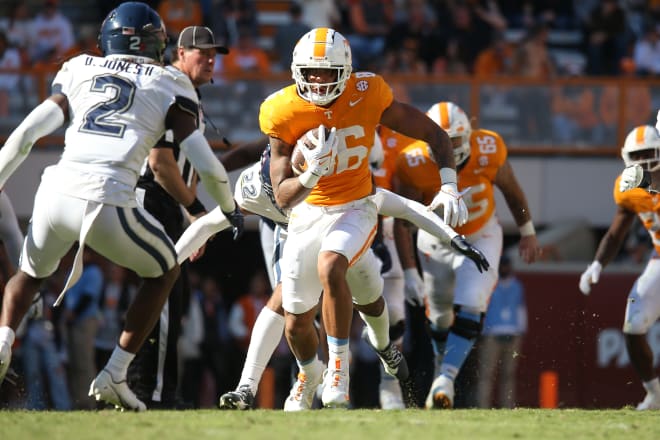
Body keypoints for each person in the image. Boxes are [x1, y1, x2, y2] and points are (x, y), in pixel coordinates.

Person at [0, 2, 243, 412]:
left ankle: (3, 339)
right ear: (159, 44)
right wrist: (226, 208)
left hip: (55, 192)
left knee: (27, 276)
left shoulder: (80, 67)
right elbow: (207, 164)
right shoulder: (169, 82)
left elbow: (26, 135)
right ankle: (115, 372)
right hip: (108, 199)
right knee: (165, 269)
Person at [175, 146, 486, 410]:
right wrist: (169, 262)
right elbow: (209, 224)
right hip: (299, 232)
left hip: (351, 228)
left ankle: (381, 346)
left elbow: (403, 206)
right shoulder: (258, 185)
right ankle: (265, 383)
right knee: (289, 309)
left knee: (369, 300)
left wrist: (451, 237)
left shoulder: (341, 177)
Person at [262, 27, 471, 410]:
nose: (319, 80)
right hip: (308, 212)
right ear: (297, 71)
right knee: (295, 321)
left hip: (356, 205)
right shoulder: (282, 109)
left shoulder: (368, 92)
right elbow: (282, 195)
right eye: (311, 72)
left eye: (327, 72)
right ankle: (311, 374)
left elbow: (434, 134)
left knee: (332, 265)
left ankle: (338, 372)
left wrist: (449, 185)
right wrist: (310, 175)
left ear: (345, 71)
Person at [394, 101, 541, 409]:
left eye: (454, 140)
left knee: (472, 301)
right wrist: (409, 270)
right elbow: (403, 220)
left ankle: (446, 377)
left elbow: (512, 192)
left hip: (480, 236)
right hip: (435, 241)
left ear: (470, 136)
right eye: (439, 140)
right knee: (439, 316)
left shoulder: (489, 148)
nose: (447, 146)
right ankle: (440, 367)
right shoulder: (411, 161)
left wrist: (527, 230)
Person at [127, 24, 229, 410]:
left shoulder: (181, 89)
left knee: (168, 296)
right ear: (179, 53)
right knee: (165, 296)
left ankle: (145, 388)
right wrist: (196, 211)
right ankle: (152, 394)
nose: (210, 58)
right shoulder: (172, 86)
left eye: (214, 52)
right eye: (201, 51)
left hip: (163, 199)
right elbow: (161, 164)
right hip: (155, 197)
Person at [579, 125, 660, 411]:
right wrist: (597, 263)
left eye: (649, 154)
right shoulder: (628, 187)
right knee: (634, 322)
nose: (642, 161)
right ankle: (654, 394)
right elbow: (617, 230)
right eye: (637, 155)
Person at [476, 254, 527, 409]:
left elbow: (521, 310)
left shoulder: (517, 286)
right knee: (486, 375)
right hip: (492, 334)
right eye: (502, 265)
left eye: (507, 265)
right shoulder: (490, 285)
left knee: (508, 375)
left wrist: (521, 331)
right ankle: (482, 406)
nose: (504, 268)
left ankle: (508, 406)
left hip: (512, 334)